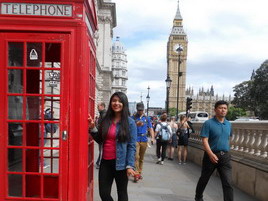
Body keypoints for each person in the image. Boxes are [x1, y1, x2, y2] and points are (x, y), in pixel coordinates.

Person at [89, 92, 137, 201]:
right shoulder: (106, 120)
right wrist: (92, 128)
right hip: (106, 162)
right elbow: (100, 139)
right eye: (114, 101)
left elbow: (132, 146)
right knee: (104, 194)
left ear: (124, 104)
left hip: (121, 163)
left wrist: (130, 165)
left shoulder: (130, 123)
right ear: (110, 103)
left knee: (122, 193)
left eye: (120, 101)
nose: (116, 103)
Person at [195, 100, 233, 201]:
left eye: (225, 108)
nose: (223, 110)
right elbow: (205, 140)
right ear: (215, 110)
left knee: (228, 182)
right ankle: (198, 197)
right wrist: (210, 154)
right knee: (204, 178)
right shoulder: (208, 123)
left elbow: (229, 138)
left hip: (225, 156)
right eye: (220, 108)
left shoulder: (229, 124)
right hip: (210, 155)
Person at [132, 102, 154, 182]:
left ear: (143, 109)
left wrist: (152, 138)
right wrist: (135, 124)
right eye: (139, 110)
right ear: (137, 110)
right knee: (136, 156)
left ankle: (139, 172)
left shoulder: (147, 118)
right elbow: (128, 126)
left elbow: (151, 128)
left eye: (141, 110)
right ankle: (136, 173)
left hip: (144, 139)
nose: (140, 111)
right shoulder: (133, 117)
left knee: (141, 158)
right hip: (136, 139)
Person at [95, 102, 107, 169]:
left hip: (102, 135)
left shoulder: (104, 114)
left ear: (102, 106)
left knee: (102, 150)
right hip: (101, 134)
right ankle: (98, 162)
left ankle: (100, 163)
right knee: (101, 150)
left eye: (98, 106)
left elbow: (103, 125)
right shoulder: (102, 114)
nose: (97, 107)